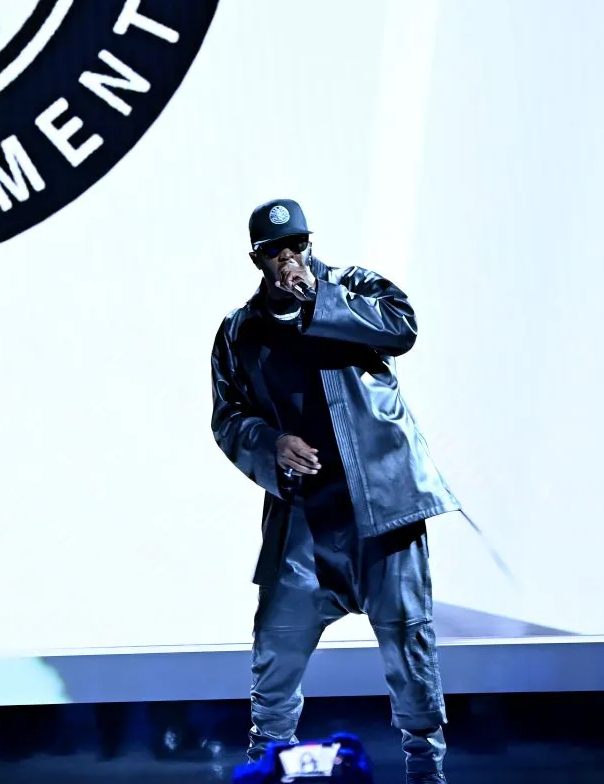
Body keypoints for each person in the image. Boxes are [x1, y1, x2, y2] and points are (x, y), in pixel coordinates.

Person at [210, 198, 457, 783]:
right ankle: (267, 767)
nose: (290, 257)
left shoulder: (354, 287)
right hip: (303, 522)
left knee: (410, 650)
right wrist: (269, 443)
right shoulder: (238, 332)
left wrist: (319, 298)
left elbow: (403, 328)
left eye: (299, 244)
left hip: (384, 512)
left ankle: (427, 774)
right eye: (276, 250)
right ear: (257, 259)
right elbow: (227, 416)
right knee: (274, 651)